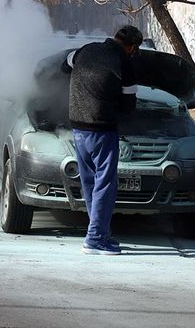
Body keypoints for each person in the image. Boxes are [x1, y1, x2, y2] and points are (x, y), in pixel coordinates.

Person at [62, 25, 142, 255]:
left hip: (78, 128)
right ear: (132, 47)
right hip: (102, 129)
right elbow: (129, 105)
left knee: (90, 183)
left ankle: (100, 233)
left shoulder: (85, 50)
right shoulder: (124, 62)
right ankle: (95, 238)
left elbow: (64, 64)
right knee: (105, 184)